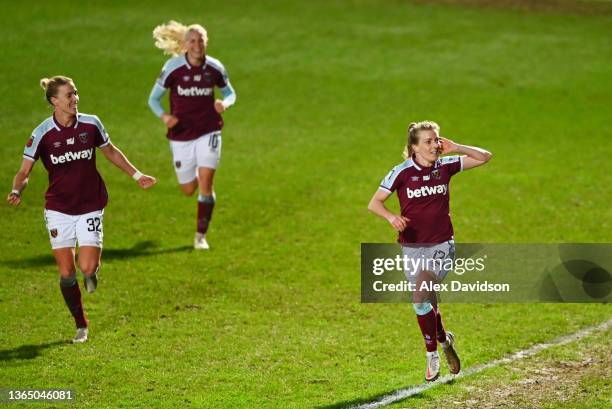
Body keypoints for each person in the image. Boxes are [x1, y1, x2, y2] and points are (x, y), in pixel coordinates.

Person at [7, 76, 156, 343]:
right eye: (69, 95)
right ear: (55, 101)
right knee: (66, 273)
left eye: (76, 94)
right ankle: (81, 325)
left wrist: (137, 175)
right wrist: (18, 189)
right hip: (59, 209)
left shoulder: (91, 123)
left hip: (90, 206)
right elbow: (24, 171)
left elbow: (110, 151)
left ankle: (91, 273)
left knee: (86, 268)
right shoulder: (42, 134)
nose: (75, 99)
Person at [368, 120, 492, 382]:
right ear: (413, 147)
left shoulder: (445, 166)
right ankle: (445, 341)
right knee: (426, 302)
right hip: (412, 248)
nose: (435, 145)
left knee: (419, 295)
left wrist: (455, 146)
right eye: (428, 141)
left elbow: (484, 157)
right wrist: (391, 218)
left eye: (436, 139)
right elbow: (375, 203)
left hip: (441, 245)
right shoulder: (401, 172)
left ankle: (431, 354)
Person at [148, 21, 236, 250]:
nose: (197, 45)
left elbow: (230, 93)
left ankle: (200, 237)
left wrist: (224, 103)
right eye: (193, 41)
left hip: (209, 130)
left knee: (207, 181)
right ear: (185, 44)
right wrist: (164, 117)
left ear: (207, 42)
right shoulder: (173, 68)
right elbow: (153, 99)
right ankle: (198, 169)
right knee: (188, 189)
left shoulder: (215, 68)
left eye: (201, 41)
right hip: (181, 135)